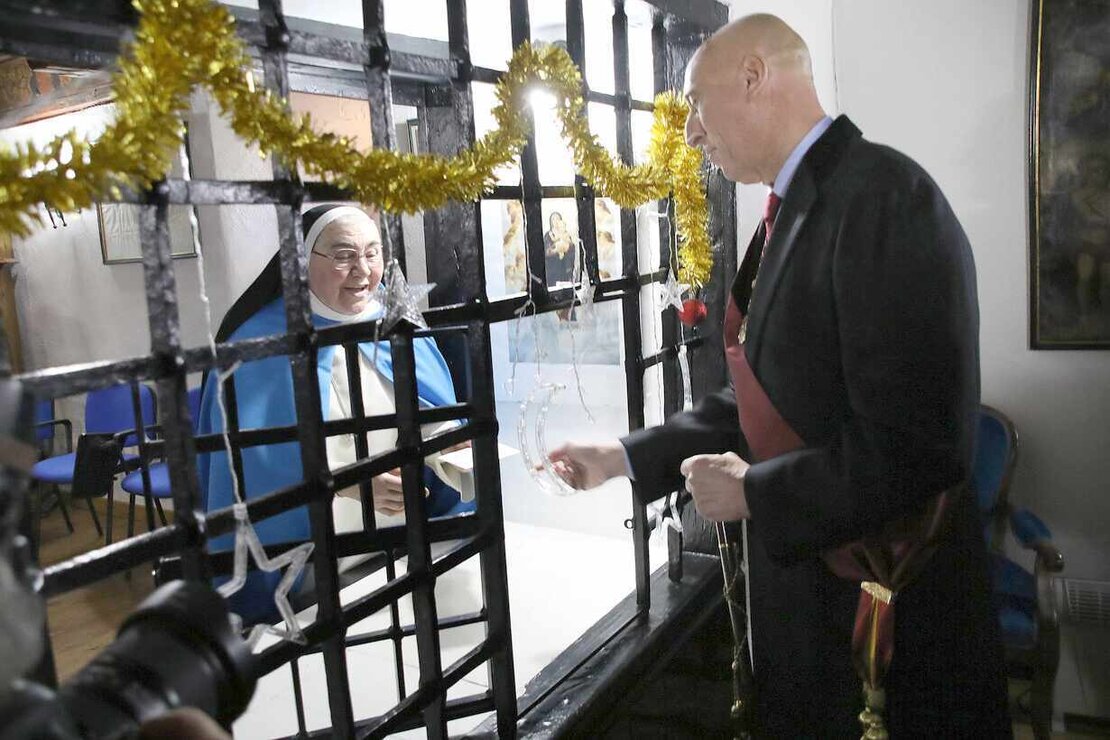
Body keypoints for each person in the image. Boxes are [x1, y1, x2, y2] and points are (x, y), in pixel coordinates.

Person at [548, 14, 1010, 738]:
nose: (693, 131)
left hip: (891, 608)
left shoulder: (884, 197)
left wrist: (754, 492)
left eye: (697, 102)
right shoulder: (792, 211)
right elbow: (765, 393)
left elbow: (921, 445)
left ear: (755, 78)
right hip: (814, 589)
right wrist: (627, 457)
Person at [198, 204, 474, 624]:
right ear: (302, 262)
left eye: (373, 252)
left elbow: (426, 404)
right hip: (311, 552)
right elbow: (250, 466)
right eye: (344, 255)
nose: (363, 270)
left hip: (398, 538)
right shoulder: (256, 344)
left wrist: (446, 439)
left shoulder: (395, 321)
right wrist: (346, 483)